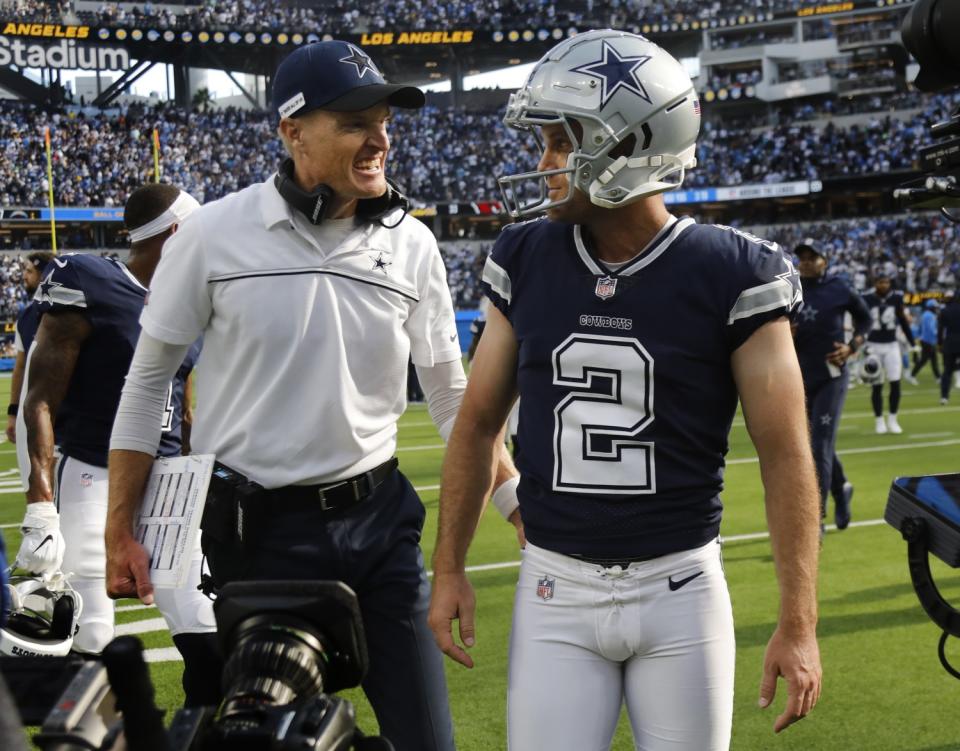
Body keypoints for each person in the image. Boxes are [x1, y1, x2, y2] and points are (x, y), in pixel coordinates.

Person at [104, 41, 516, 751]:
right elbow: (148, 382)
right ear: (292, 131)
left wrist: (516, 501)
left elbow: (453, 396)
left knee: (427, 739)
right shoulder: (209, 236)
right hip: (261, 536)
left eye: (384, 119)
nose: (379, 136)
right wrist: (119, 528)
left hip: (380, 526)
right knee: (270, 741)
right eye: (354, 120)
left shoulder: (412, 245)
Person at [428, 29, 822, 751]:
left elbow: (786, 454)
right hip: (555, 587)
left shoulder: (734, 271)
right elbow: (479, 424)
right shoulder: (526, 255)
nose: (545, 164)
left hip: (680, 589)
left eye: (559, 141)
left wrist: (798, 621)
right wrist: (448, 565)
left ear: (626, 142)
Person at [19, 184, 219, 706]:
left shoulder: (189, 300)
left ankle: (202, 735)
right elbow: (38, 398)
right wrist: (40, 507)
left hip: (170, 479)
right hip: (93, 470)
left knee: (205, 627)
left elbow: (187, 402)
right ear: (176, 233)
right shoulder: (89, 279)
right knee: (93, 636)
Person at [792, 239, 871, 532]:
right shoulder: (790, 287)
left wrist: (852, 347)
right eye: (802, 257)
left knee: (819, 444)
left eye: (813, 257)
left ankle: (816, 519)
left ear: (825, 260)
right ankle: (841, 488)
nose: (807, 262)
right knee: (817, 443)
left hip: (832, 376)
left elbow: (866, 319)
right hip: (800, 378)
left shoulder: (840, 287)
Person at [7, 252, 54, 489]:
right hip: (37, 411)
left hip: (58, 412)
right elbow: (20, 367)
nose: (24, 276)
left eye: (29, 271)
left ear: (44, 274)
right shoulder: (26, 316)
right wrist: (13, 411)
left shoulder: (67, 312)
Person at [863, 274, 915, 434]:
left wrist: (912, 342)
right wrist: (862, 343)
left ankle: (893, 419)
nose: (884, 285)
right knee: (876, 385)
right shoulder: (867, 298)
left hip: (892, 345)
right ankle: (879, 420)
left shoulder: (897, 298)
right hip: (873, 346)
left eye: (886, 282)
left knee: (895, 382)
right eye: (880, 282)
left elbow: (903, 320)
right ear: (875, 283)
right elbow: (861, 321)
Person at [911, 299, 941, 382]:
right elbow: (931, 329)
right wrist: (938, 334)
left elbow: (922, 327)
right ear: (931, 307)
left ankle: (938, 377)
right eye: (934, 307)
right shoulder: (930, 316)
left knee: (933, 360)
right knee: (924, 360)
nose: (936, 309)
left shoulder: (925, 315)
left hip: (927, 340)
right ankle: (912, 375)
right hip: (928, 341)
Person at [940, 295, 960, 405]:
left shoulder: (945, 311)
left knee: (947, 371)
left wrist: (939, 344)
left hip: (949, 342)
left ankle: (944, 397)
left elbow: (941, 329)